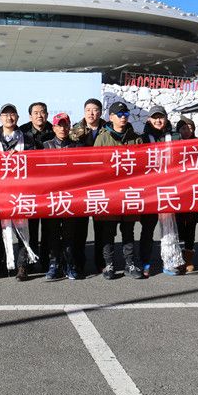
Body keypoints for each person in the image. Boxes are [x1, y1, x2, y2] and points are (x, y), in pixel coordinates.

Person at [94, 101, 143, 279]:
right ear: (111, 117)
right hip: (109, 193)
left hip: (129, 191)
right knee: (108, 231)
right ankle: (109, 265)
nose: (123, 118)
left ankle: (130, 264)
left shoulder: (136, 138)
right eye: (119, 115)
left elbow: (142, 165)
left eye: (126, 114)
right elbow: (96, 165)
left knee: (128, 230)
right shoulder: (102, 138)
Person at [0, 103, 40, 281]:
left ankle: (22, 266)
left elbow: (35, 161)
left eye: (12, 114)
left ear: (18, 118)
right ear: (0, 118)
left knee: (23, 229)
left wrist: (21, 157)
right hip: (0, 192)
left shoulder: (27, 138)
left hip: (22, 191)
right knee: (2, 230)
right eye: (5, 115)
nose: (9, 118)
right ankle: (3, 265)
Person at [139, 105, 185, 278]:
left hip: (170, 187)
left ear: (166, 118)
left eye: (161, 117)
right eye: (154, 117)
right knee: (148, 228)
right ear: (149, 120)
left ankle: (170, 261)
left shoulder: (176, 137)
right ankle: (145, 262)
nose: (158, 120)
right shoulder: (143, 139)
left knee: (170, 228)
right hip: (150, 190)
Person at [70, 98, 107, 276]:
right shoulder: (75, 130)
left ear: (100, 112)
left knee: (102, 227)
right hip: (81, 185)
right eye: (88, 110)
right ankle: (79, 263)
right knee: (79, 228)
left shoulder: (108, 128)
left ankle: (102, 262)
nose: (91, 113)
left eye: (95, 110)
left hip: (103, 184)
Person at [42, 113, 80, 280]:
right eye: (59, 125)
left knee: (70, 234)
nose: (62, 128)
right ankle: (54, 264)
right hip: (51, 197)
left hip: (71, 197)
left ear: (69, 126)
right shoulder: (45, 146)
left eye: (65, 125)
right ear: (53, 127)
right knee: (52, 233)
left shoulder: (77, 147)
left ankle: (69, 264)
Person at [19, 101, 54, 270]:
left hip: (49, 186)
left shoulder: (54, 130)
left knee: (48, 228)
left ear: (47, 114)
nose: (39, 115)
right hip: (29, 187)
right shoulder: (22, 132)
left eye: (42, 112)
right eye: (36, 112)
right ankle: (27, 262)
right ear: (30, 116)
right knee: (29, 227)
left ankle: (46, 262)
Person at [173, 116, 198, 273]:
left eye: (190, 128)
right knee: (178, 226)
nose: (187, 131)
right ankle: (178, 258)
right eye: (184, 128)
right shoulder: (173, 145)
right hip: (178, 191)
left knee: (191, 226)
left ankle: (189, 258)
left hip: (193, 191)